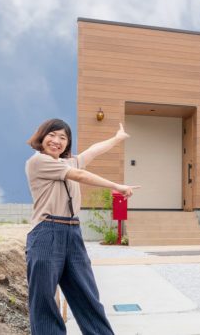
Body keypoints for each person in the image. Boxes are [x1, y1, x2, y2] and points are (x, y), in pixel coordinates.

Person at [25, 119, 139, 334]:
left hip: (72, 231)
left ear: (67, 143)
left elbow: (93, 151)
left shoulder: (69, 162)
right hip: (46, 232)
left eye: (63, 137)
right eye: (52, 135)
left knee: (87, 294)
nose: (56, 140)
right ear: (42, 137)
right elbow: (80, 175)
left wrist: (117, 139)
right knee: (43, 299)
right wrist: (116, 186)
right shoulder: (38, 161)